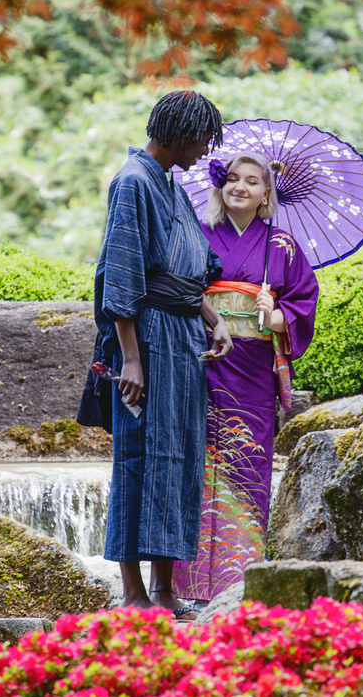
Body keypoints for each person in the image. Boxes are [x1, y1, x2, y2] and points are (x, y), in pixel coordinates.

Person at [94, 91, 234, 621]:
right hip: (147, 341)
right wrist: (130, 359)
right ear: (178, 134)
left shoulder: (172, 186)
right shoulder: (132, 182)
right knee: (138, 459)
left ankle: (164, 587)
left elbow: (188, 271)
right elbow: (125, 272)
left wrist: (212, 319)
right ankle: (132, 592)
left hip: (183, 341)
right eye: (201, 140)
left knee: (178, 462)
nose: (205, 152)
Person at [172, 151, 318, 605]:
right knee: (192, 462)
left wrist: (275, 315)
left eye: (252, 182)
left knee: (246, 460)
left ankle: (238, 581)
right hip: (200, 358)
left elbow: (305, 301)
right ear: (220, 186)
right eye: (232, 179)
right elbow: (179, 286)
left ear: (266, 193)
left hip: (252, 368)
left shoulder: (283, 247)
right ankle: (186, 582)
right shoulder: (196, 234)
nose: (240, 187)